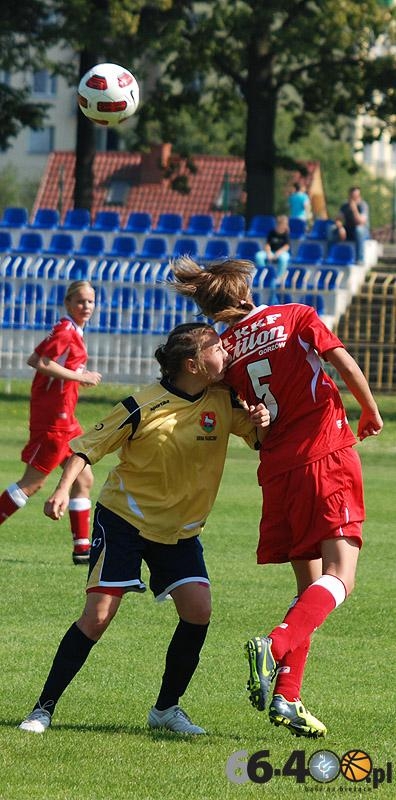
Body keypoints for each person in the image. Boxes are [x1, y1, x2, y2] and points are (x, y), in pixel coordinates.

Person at [19, 322, 270, 736]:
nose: (225, 350)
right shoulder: (141, 405)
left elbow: (261, 438)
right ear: (192, 363)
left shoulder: (225, 400)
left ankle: (166, 709)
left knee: (198, 610)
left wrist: (261, 419)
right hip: (124, 521)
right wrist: (62, 491)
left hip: (180, 531)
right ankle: (42, 709)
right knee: (98, 617)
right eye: (215, 346)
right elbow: (85, 448)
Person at [169, 256, 383, 739]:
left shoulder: (223, 351)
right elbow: (343, 361)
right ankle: (276, 643)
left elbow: (229, 407)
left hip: (278, 470)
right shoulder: (295, 316)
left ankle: (287, 696)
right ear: (244, 294)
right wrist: (369, 410)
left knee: (309, 584)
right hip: (324, 452)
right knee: (342, 576)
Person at [0, 280, 102, 565]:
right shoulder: (65, 330)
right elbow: (40, 361)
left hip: (66, 418)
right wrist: (81, 377)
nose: (86, 306)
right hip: (53, 421)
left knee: (83, 477)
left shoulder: (73, 330)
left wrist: (74, 378)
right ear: (68, 303)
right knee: (32, 483)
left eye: (91, 301)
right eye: (80, 301)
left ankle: (82, 549)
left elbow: (41, 359)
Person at [255, 214, 290, 283]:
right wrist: (269, 253)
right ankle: (264, 274)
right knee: (259, 256)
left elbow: (286, 246)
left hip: (281, 253)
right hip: (271, 252)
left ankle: (279, 277)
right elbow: (267, 244)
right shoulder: (272, 232)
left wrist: (278, 253)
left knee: (284, 258)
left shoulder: (286, 233)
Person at [339, 186, 370, 264]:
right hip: (348, 230)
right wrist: (340, 228)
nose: (354, 198)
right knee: (331, 230)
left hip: (362, 232)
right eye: (352, 196)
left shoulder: (363, 205)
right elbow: (338, 219)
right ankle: (330, 256)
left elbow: (360, 222)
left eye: (356, 196)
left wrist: (354, 210)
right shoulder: (345, 205)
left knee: (358, 230)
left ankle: (360, 259)